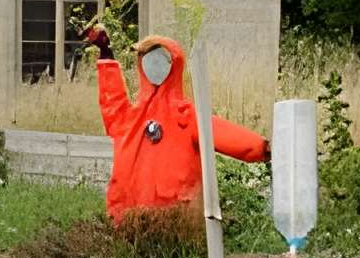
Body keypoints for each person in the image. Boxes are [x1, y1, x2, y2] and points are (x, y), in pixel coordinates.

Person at [84, 23, 266, 219]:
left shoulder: (185, 117)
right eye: (147, 59)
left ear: (173, 65)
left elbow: (226, 135)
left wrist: (262, 148)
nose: (153, 66)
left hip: (174, 226)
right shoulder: (130, 118)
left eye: (159, 60)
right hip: (128, 223)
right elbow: (112, 99)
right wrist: (105, 53)